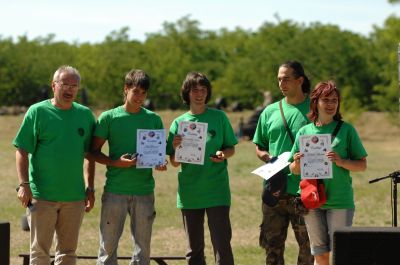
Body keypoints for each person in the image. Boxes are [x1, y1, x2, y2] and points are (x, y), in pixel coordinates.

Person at [13, 65, 96, 265]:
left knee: (68, 253)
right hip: (42, 196)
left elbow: (89, 155)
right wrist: (24, 185)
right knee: (40, 253)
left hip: (74, 197)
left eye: (74, 86)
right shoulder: (37, 112)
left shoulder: (85, 115)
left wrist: (90, 187)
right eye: (64, 84)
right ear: (53, 85)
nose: (69, 90)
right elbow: (22, 149)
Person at [91, 69, 167, 265]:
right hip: (115, 191)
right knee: (107, 250)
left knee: (143, 252)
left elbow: (159, 153)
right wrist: (116, 163)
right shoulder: (109, 118)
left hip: (144, 191)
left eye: (144, 93)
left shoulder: (154, 119)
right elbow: (93, 152)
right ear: (125, 89)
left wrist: (160, 163)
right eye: (136, 91)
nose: (140, 97)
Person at [289, 80, 367, 265]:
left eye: (334, 100)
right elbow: (293, 170)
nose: (331, 104)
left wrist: (342, 161)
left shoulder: (347, 130)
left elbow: (362, 165)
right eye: (326, 100)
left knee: (341, 254)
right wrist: (298, 163)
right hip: (311, 200)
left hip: (340, 200)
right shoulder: (304, 132)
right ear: (315, 102)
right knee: (320, 254)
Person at [166, 72, 238, 265]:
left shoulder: (219, 117)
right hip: (190, 192)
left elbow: (230, 147)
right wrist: (175, 147)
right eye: (195, 89)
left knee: (222, 246)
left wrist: (224, 154)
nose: (199, 93)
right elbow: (174, 162)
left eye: (203, 89)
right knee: (194, 250)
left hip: (217, 191)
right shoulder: (178, 124)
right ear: (187, 93)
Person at [253, 61, 314, 265]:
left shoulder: (315, 108)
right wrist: (268, 158)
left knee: (308, 248)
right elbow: (259, 146)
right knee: (272, 248)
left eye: (286, 78)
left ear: (300, 80)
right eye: (279, 79)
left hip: (304, 190)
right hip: (274, 189)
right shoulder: (270, 111)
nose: (281, 83)